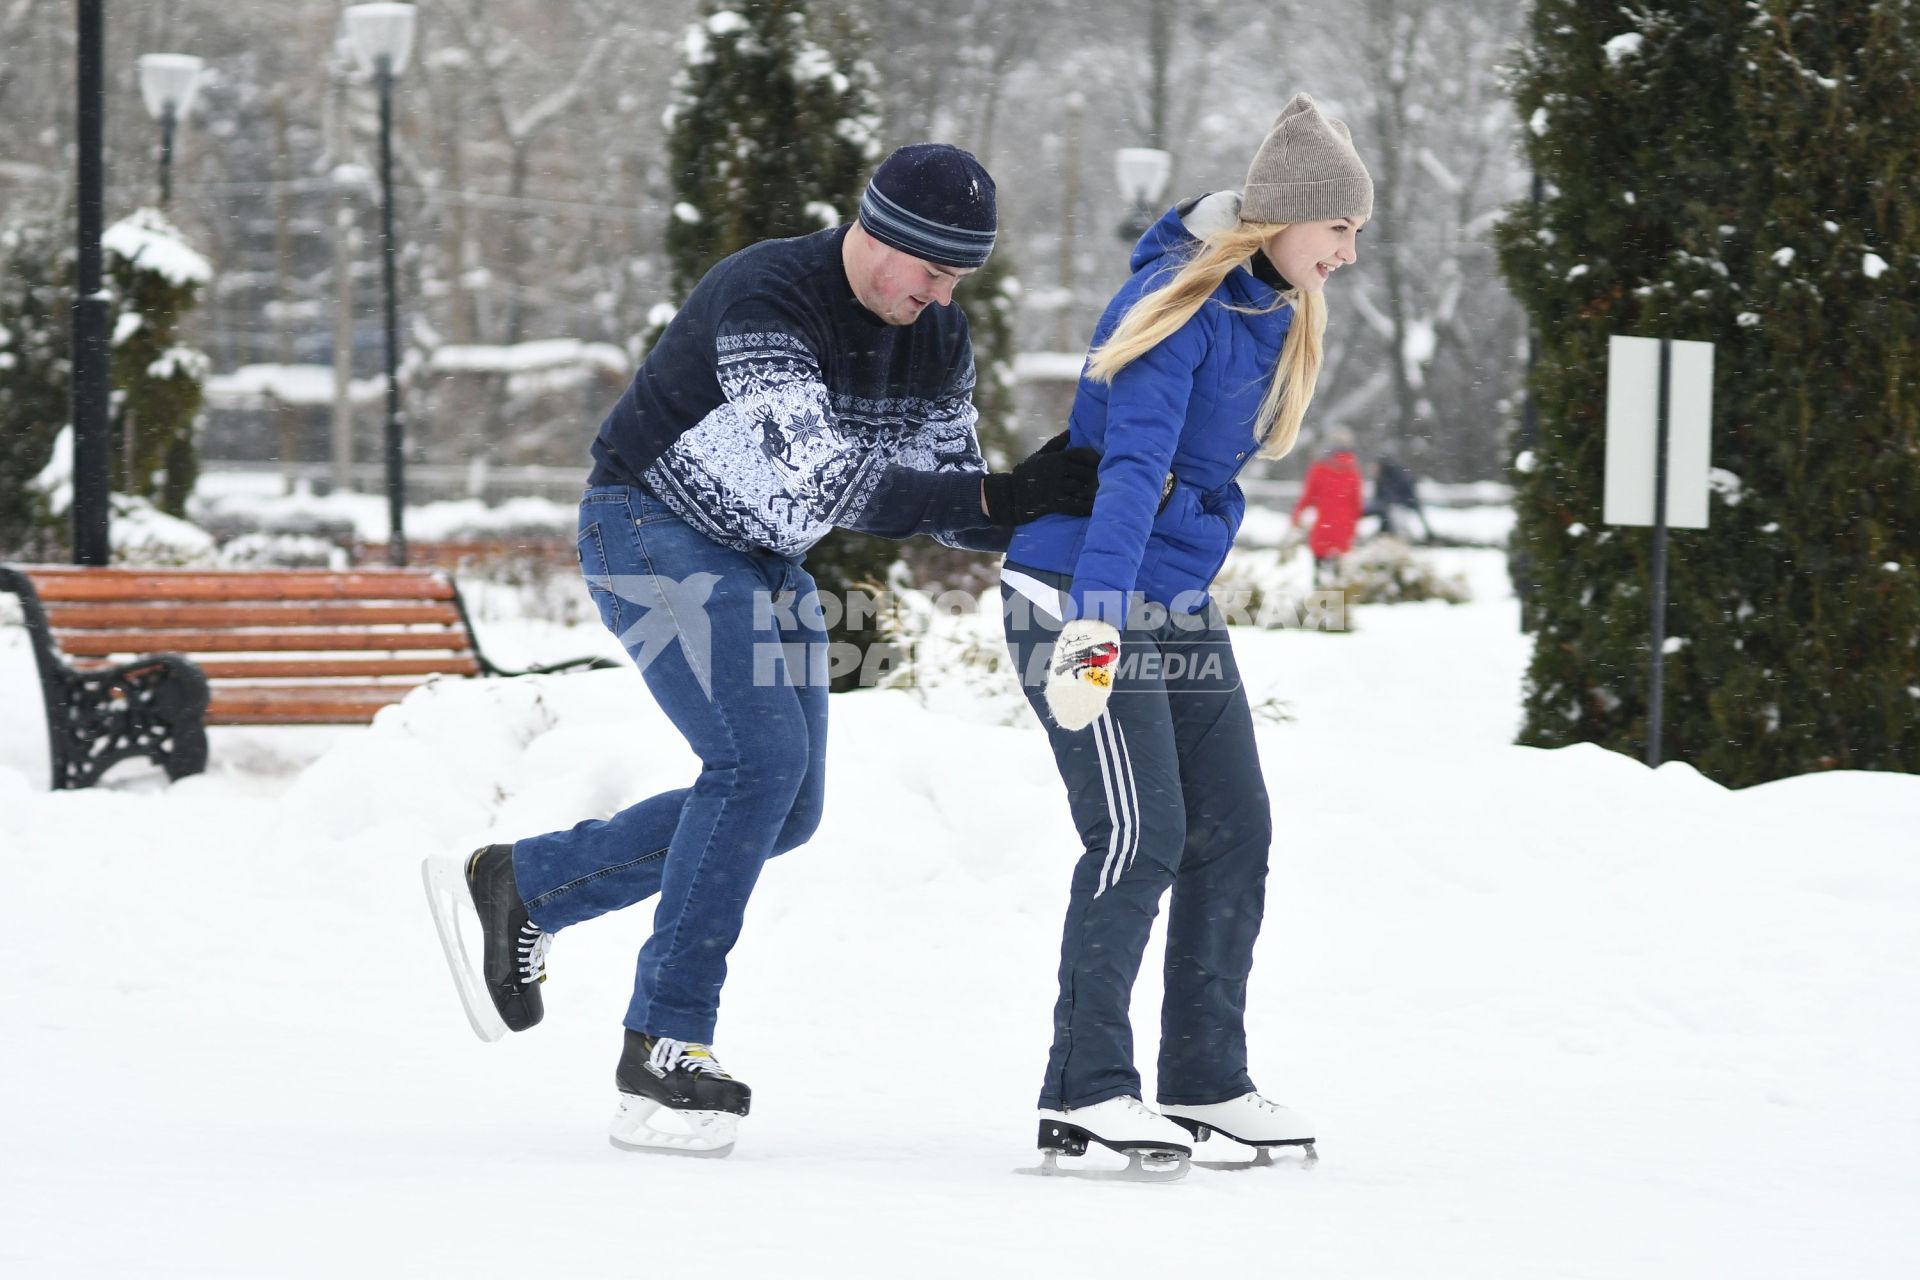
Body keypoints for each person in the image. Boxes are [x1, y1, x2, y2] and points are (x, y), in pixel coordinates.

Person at [422, 144, 1100, 1158]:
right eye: (929, 269)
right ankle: (666, 1042)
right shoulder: (768, 296)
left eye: (957, 277)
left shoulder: (937, 339)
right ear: (879, 233)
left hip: (764, 559)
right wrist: (1004, 494)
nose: (938, 294)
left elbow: (955, 499)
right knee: (759, 763)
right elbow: (829, 480)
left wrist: (1064, 509)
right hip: (649, 527)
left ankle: (529, 883)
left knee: (788, 807)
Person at [998, 92, 1370, 1177]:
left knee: (1235, 826)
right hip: (1080, 590)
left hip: (1170, 597)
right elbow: (1127, 479)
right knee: (1139, 830)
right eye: (1338, 229)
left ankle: (1205, 1076)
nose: (1347, 254)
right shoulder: (1176, 302)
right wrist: (1094, 632)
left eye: (1353, 233)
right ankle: (1086, 1086)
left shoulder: (1276, 311)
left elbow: (1195, 486)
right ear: (1285, 219)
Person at [1292, 433, 1365, 583]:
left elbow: (1308, 497)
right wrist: (1354, 525)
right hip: (1345, 526)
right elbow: (1357, 504)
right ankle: (1338, 591)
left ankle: (1318, 589)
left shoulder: (1319, 469)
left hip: (1324, 525)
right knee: (1339, 570)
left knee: (1318, 566)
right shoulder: (1353, 472)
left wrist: (1296, 516)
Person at [1368, 454, 1431, 543]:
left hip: (1402, 504)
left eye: (1374, 466)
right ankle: (1387, 534)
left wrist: (1393, 501)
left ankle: (1399, 538)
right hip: (1393, 505)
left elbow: (1405, 490)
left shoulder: (1395, 475)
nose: (1373, 470)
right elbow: (1378, 495)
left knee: (1397, 522)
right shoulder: (1382, 477)